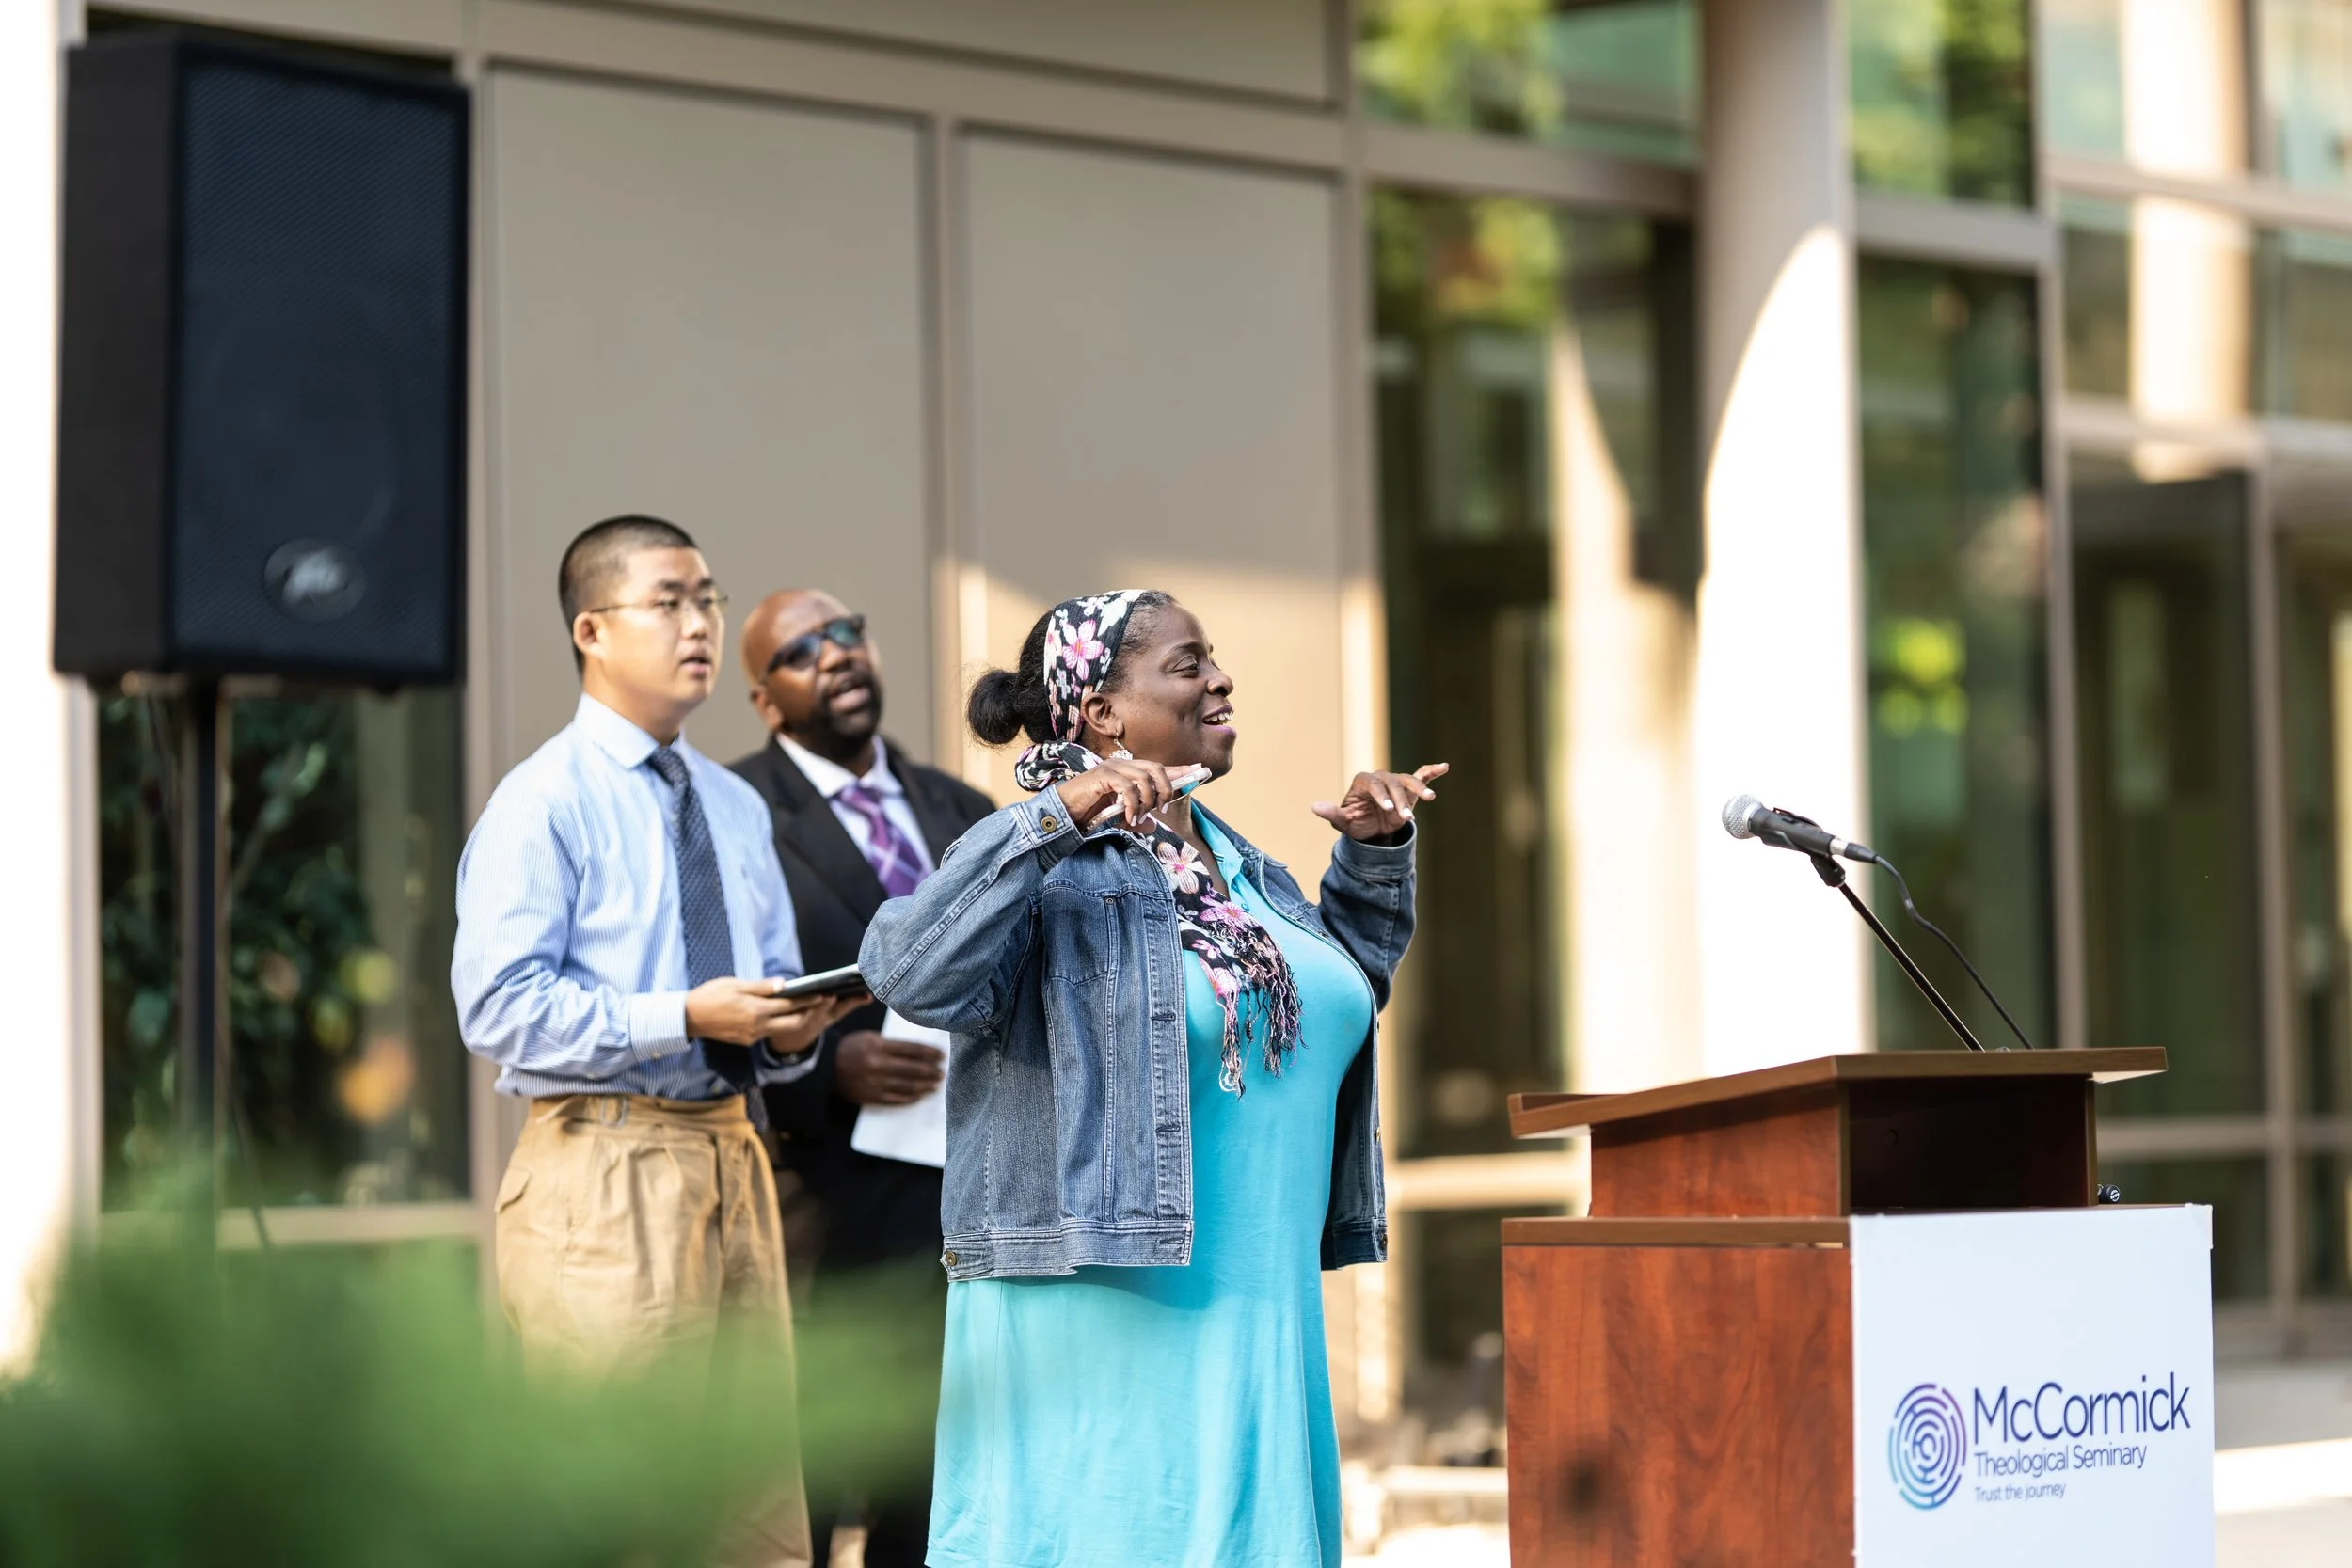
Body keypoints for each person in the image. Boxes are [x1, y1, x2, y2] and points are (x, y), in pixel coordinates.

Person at [860, 589, 1446, 1568]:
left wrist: (1373, 860)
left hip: (1255, 1295)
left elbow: (1317, 1014)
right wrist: (1055, 815)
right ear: (1098, 712)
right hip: (1100, 1302)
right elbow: (911, 970)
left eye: (1213, 657)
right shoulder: (1043, 859)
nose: (1219, 677)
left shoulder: (1238, 864)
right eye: (1186, 663)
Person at [452, 515, 865, 1568]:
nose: (700, 624)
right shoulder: (542, 800)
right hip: (604, 1164)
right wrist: (683, 1013)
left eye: (709, 598)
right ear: (592, 628)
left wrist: (787, 1032)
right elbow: (497, 1007)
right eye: (669, 600)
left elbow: (758, 992)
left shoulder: (728, 802)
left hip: (736, 1153)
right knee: (623, 1514)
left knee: (756, 1514)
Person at [728, 588, 994, 1568]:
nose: (837, 654)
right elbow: (702, 990)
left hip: (963, 1195)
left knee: (931, 1487)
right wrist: (821, 1067)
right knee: (811, 1483)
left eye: (848, 632)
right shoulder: (736, 813)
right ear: (765, 699)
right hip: (824, 1203)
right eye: (804, 649)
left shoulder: (961, 808)